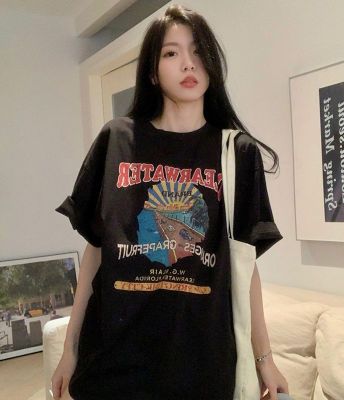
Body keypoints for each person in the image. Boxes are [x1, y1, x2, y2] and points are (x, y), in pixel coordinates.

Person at [52, 4, 287, 400]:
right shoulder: (117, 139)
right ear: (152, 71)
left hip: (201, 363)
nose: (188, 63)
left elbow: (244, 265)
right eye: (171, 53)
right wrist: (69, 350)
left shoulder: (236, 153)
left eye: (198, 51)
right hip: (113, 358)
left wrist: (265, 359)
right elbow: (96, 251)